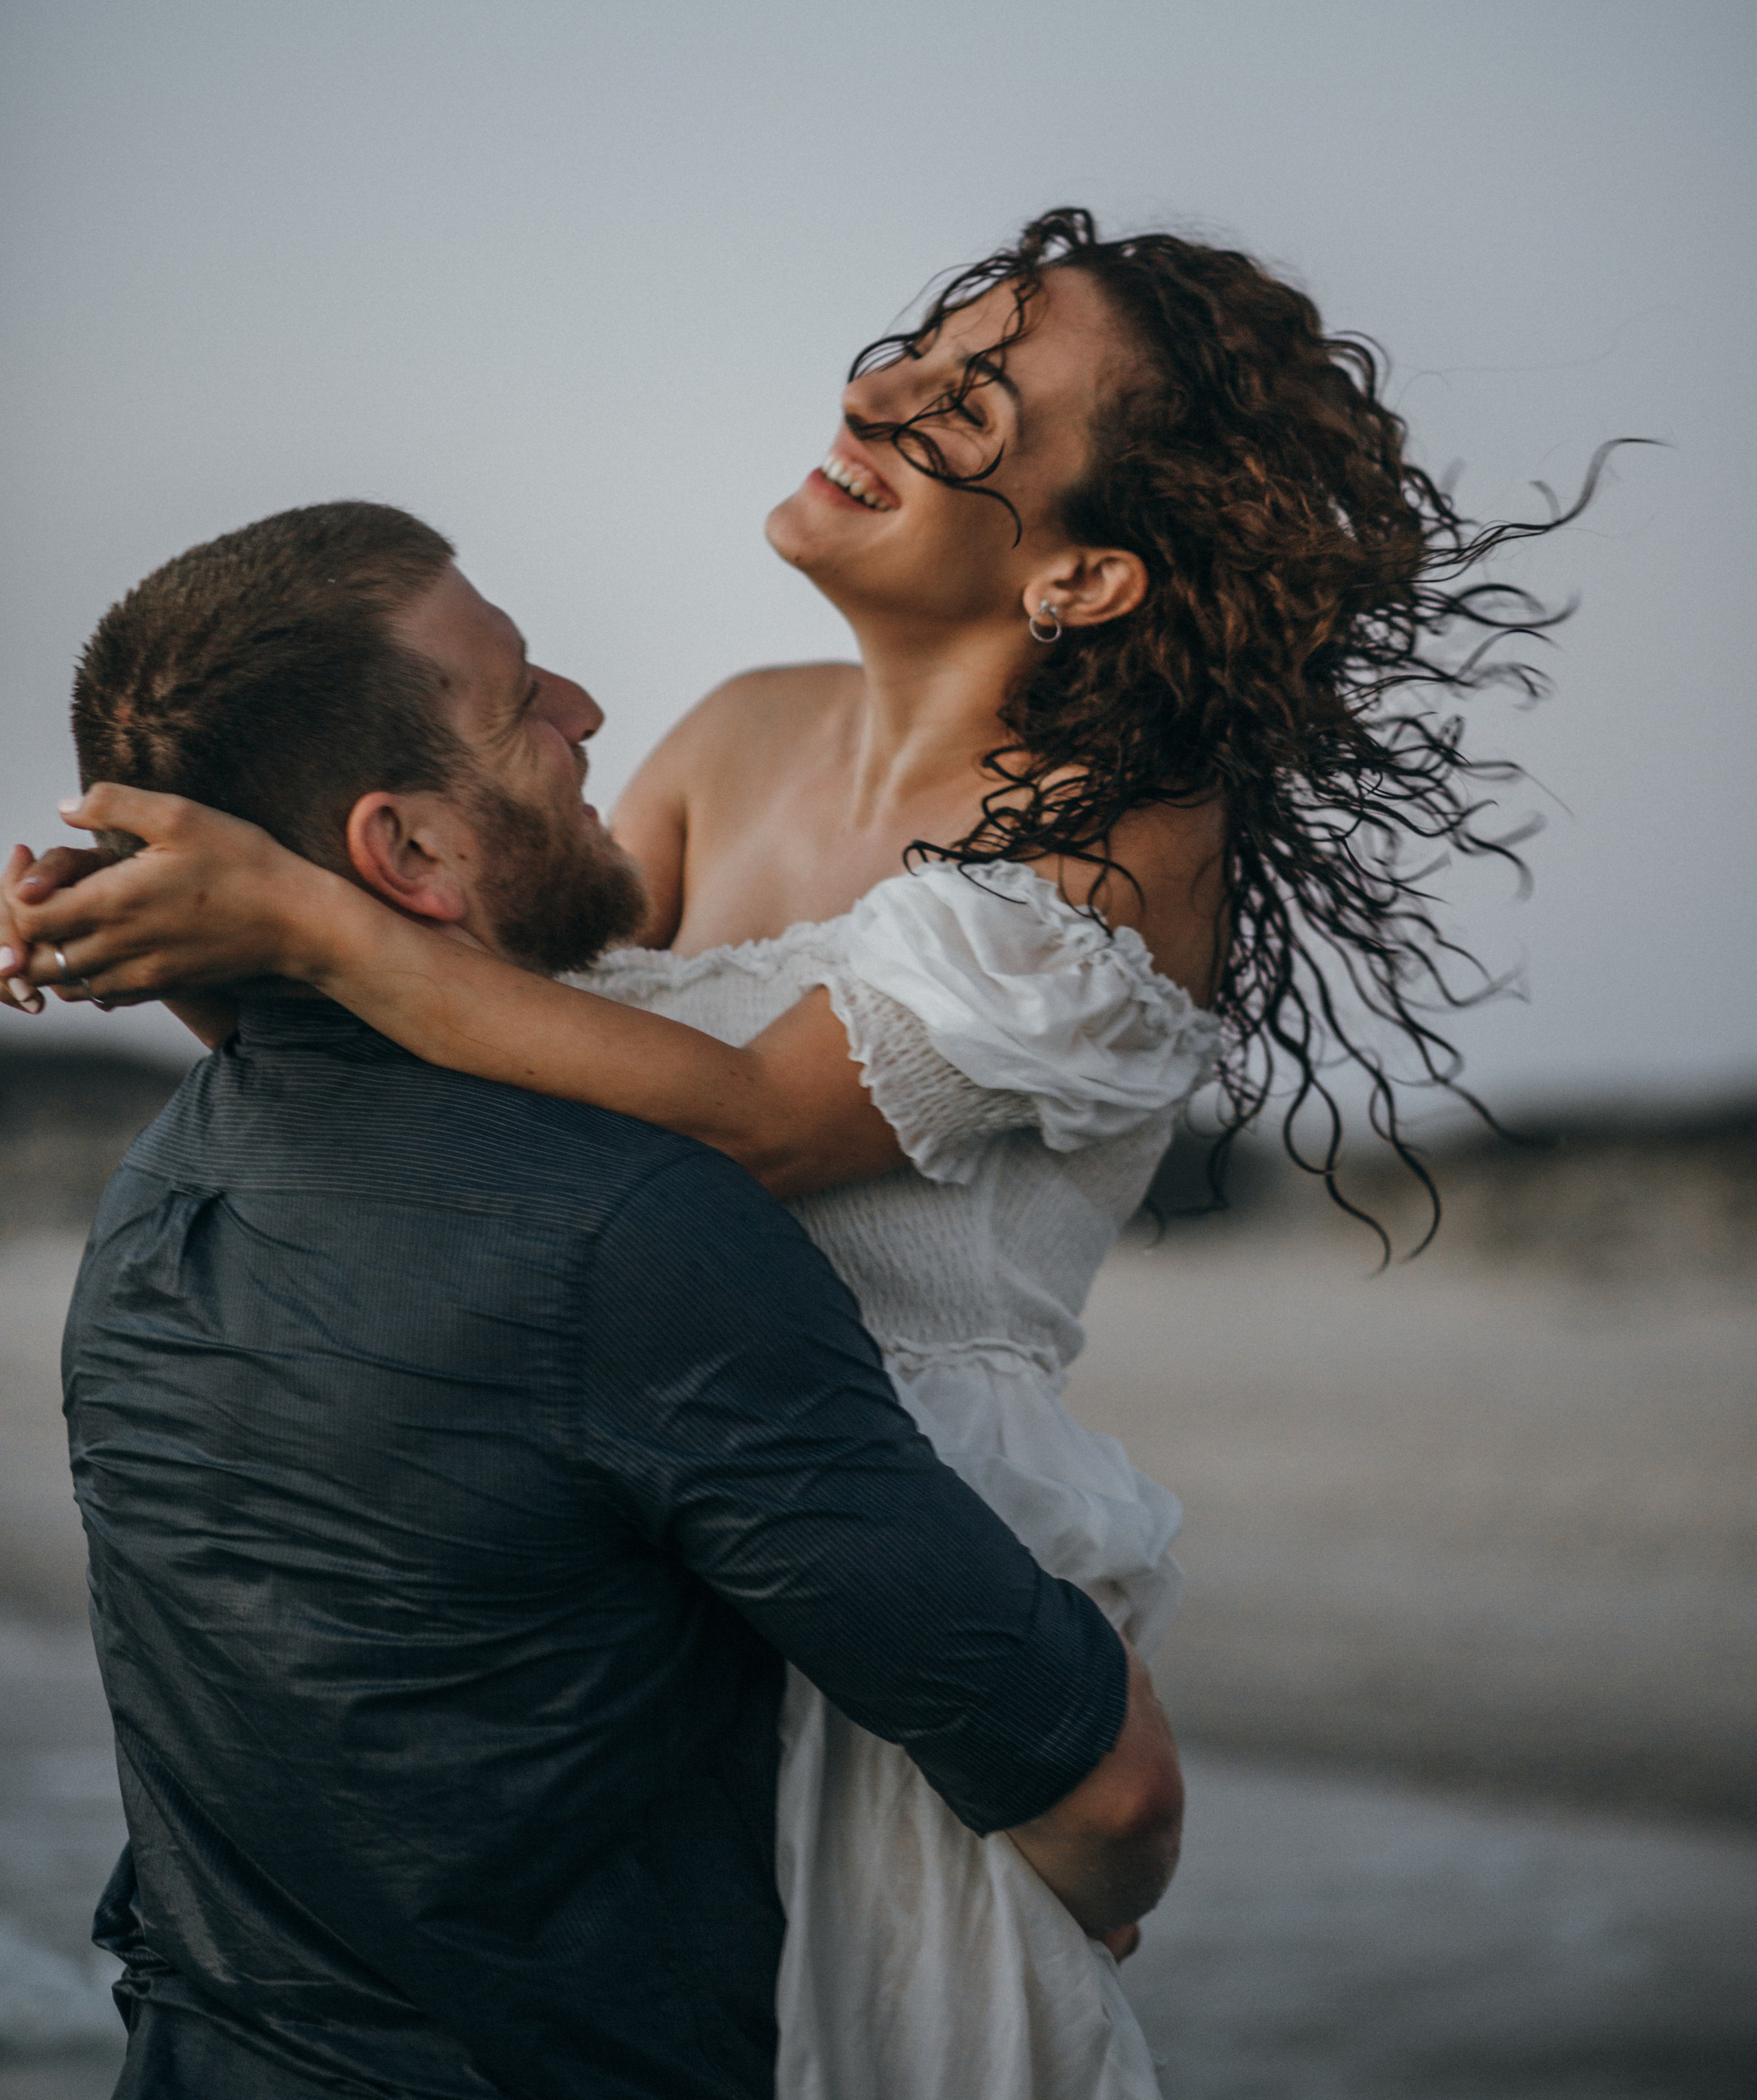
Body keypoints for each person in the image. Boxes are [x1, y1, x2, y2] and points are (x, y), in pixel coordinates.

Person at [5, 207, 1577, 2096]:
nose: (887, 388)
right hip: (626, 1485)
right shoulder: (739, 732)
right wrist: (190, 940)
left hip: (890, 1545)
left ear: (1083, 578)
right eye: (927, 343)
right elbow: (489, 1064)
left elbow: (742, 1123)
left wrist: (310, 923)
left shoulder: (1121, 830)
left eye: (979, 405)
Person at [34, 498, 1182, 2100]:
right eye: (520, 701)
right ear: (405, 853)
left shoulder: (156, 1205)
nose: (582, 710)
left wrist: (258, 946)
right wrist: (1070, 1884)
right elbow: (1109, 1800)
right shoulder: (633, 1229)